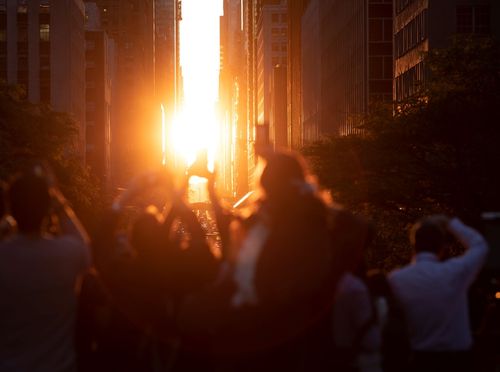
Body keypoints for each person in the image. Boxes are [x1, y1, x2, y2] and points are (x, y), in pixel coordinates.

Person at [0, 166, 91, 372]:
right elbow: (85, 244)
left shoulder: (3, 257)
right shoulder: (66, 253)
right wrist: (57, 198)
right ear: (46, 208)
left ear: (10, 208)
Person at [388, 215, 489, 372]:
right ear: (442, 247)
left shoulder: (397, 279)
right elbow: (480, 245)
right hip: (458, 362)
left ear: (414, 245)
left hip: (420, 361)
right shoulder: (455, 272)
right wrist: (450, 223)